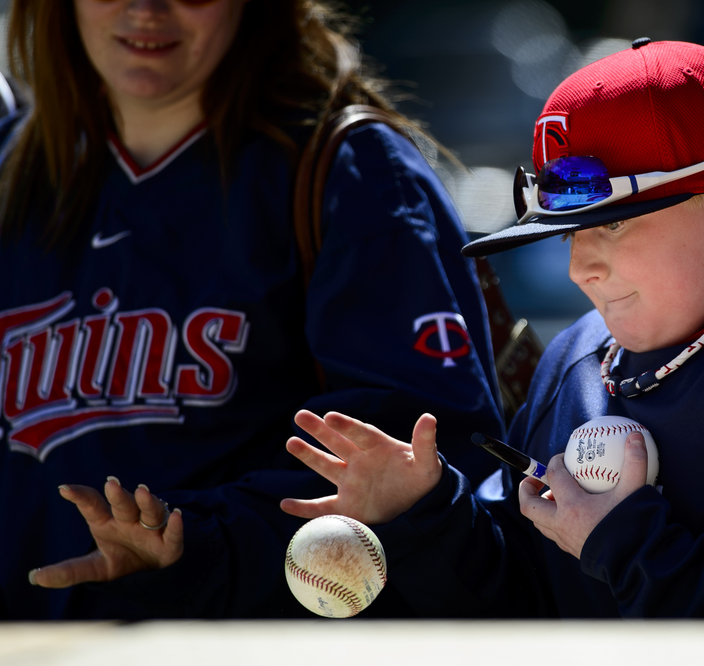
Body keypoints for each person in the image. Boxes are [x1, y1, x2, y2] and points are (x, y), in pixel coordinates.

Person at [282, 39, 704, 618]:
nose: (581, 267)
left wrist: (630, 545)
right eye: (566, 234)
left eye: (610, 223)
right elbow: (523, 604)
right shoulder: (576, 360)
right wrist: (426, 513)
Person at [0, 0, 504, 620]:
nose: (146, 10)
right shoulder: (14, 172)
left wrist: (198, 550)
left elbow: (416, 462)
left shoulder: (346, 170)